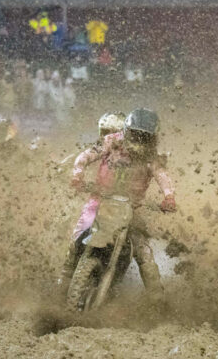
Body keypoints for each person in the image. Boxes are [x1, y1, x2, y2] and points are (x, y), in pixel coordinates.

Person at [63, 109, 176, 291]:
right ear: (126, 131)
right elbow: (86, 156)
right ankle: (62, 285)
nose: (139, 139)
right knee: (76, 239)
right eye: (135, 134)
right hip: (100, 201)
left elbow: (162, 176)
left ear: (153, 138)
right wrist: (78, 175)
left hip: (133, 208)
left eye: (144, 136)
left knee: (144, 253)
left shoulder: (153, 156)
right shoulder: (112, 141)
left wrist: (169, 197)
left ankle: (157, 300)